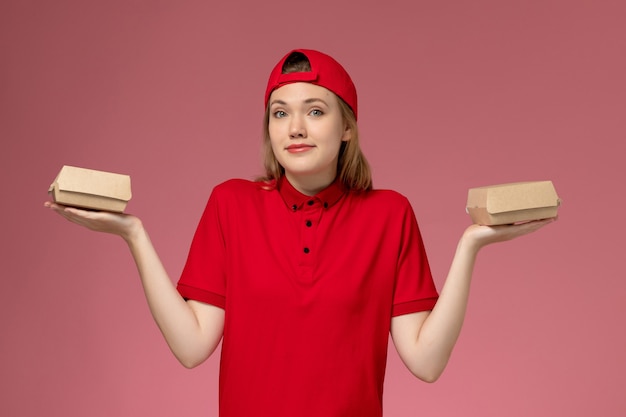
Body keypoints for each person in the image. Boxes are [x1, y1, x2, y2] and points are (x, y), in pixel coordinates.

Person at [45, 49, 554, 417]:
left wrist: (471, 246)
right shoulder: (231, 204)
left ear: (347, 127)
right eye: (280, 113)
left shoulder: (389, 215)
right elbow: (192, 346)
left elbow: (425, 362)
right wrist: (134, 235)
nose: (295, 128)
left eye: (315, 111)